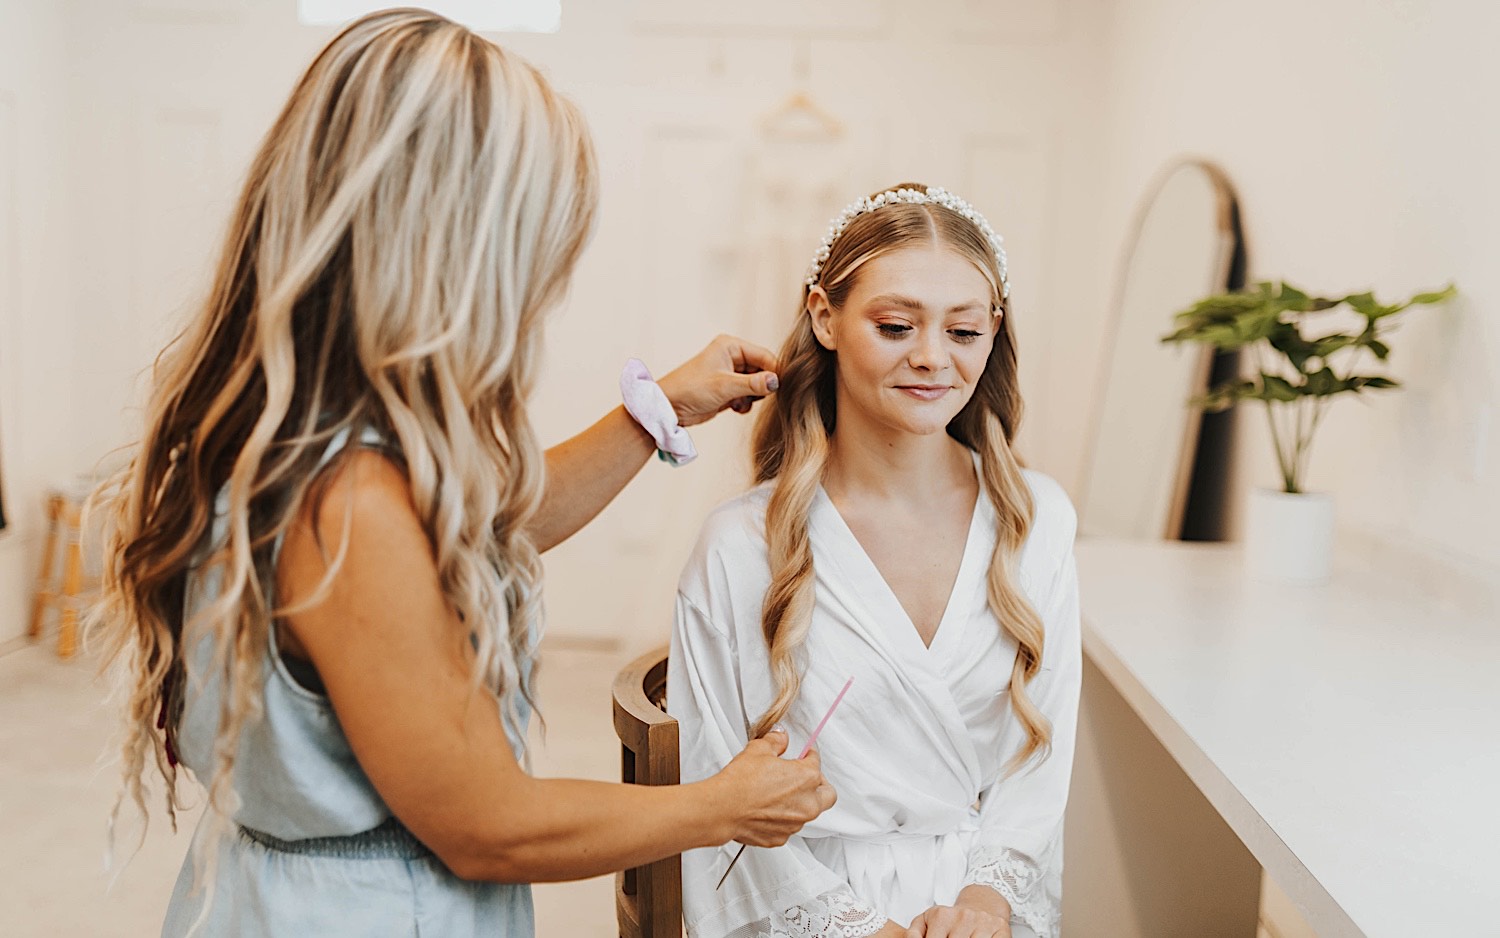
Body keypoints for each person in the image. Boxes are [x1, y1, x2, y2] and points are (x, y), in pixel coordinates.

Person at [89, 10, 835, 937]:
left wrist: (659, 410)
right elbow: (488, 825)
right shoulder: (349, 503)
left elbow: (483, 527)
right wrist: (720, 805)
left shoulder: (301, 426)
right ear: (456, 247)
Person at [669, 183, 1082, 938]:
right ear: (824, 316)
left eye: (963, 332)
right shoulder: (740, 546)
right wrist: (859, 928)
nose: (931, 359)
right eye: (895, 326)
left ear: (993, 333)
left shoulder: (1036, 519)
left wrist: (986, 903)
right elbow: (712, 790)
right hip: (803, 911)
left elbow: (1040, 764)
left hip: (980, 908)